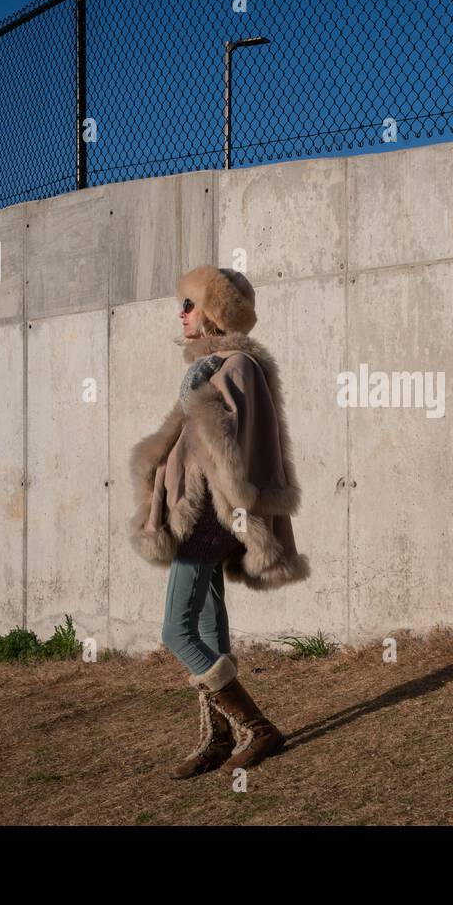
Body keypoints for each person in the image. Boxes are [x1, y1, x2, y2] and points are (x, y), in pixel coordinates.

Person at [127, 265, 309, 778]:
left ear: (213, 313)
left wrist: (212, 509)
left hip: (209, 514)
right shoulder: (210, 367)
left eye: (189, 304)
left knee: (175, 629)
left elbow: (231, 453)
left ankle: (258, 727)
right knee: (208, 622)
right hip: (201, 509)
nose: (180, 314)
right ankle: (219, 735)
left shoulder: (236, 366)